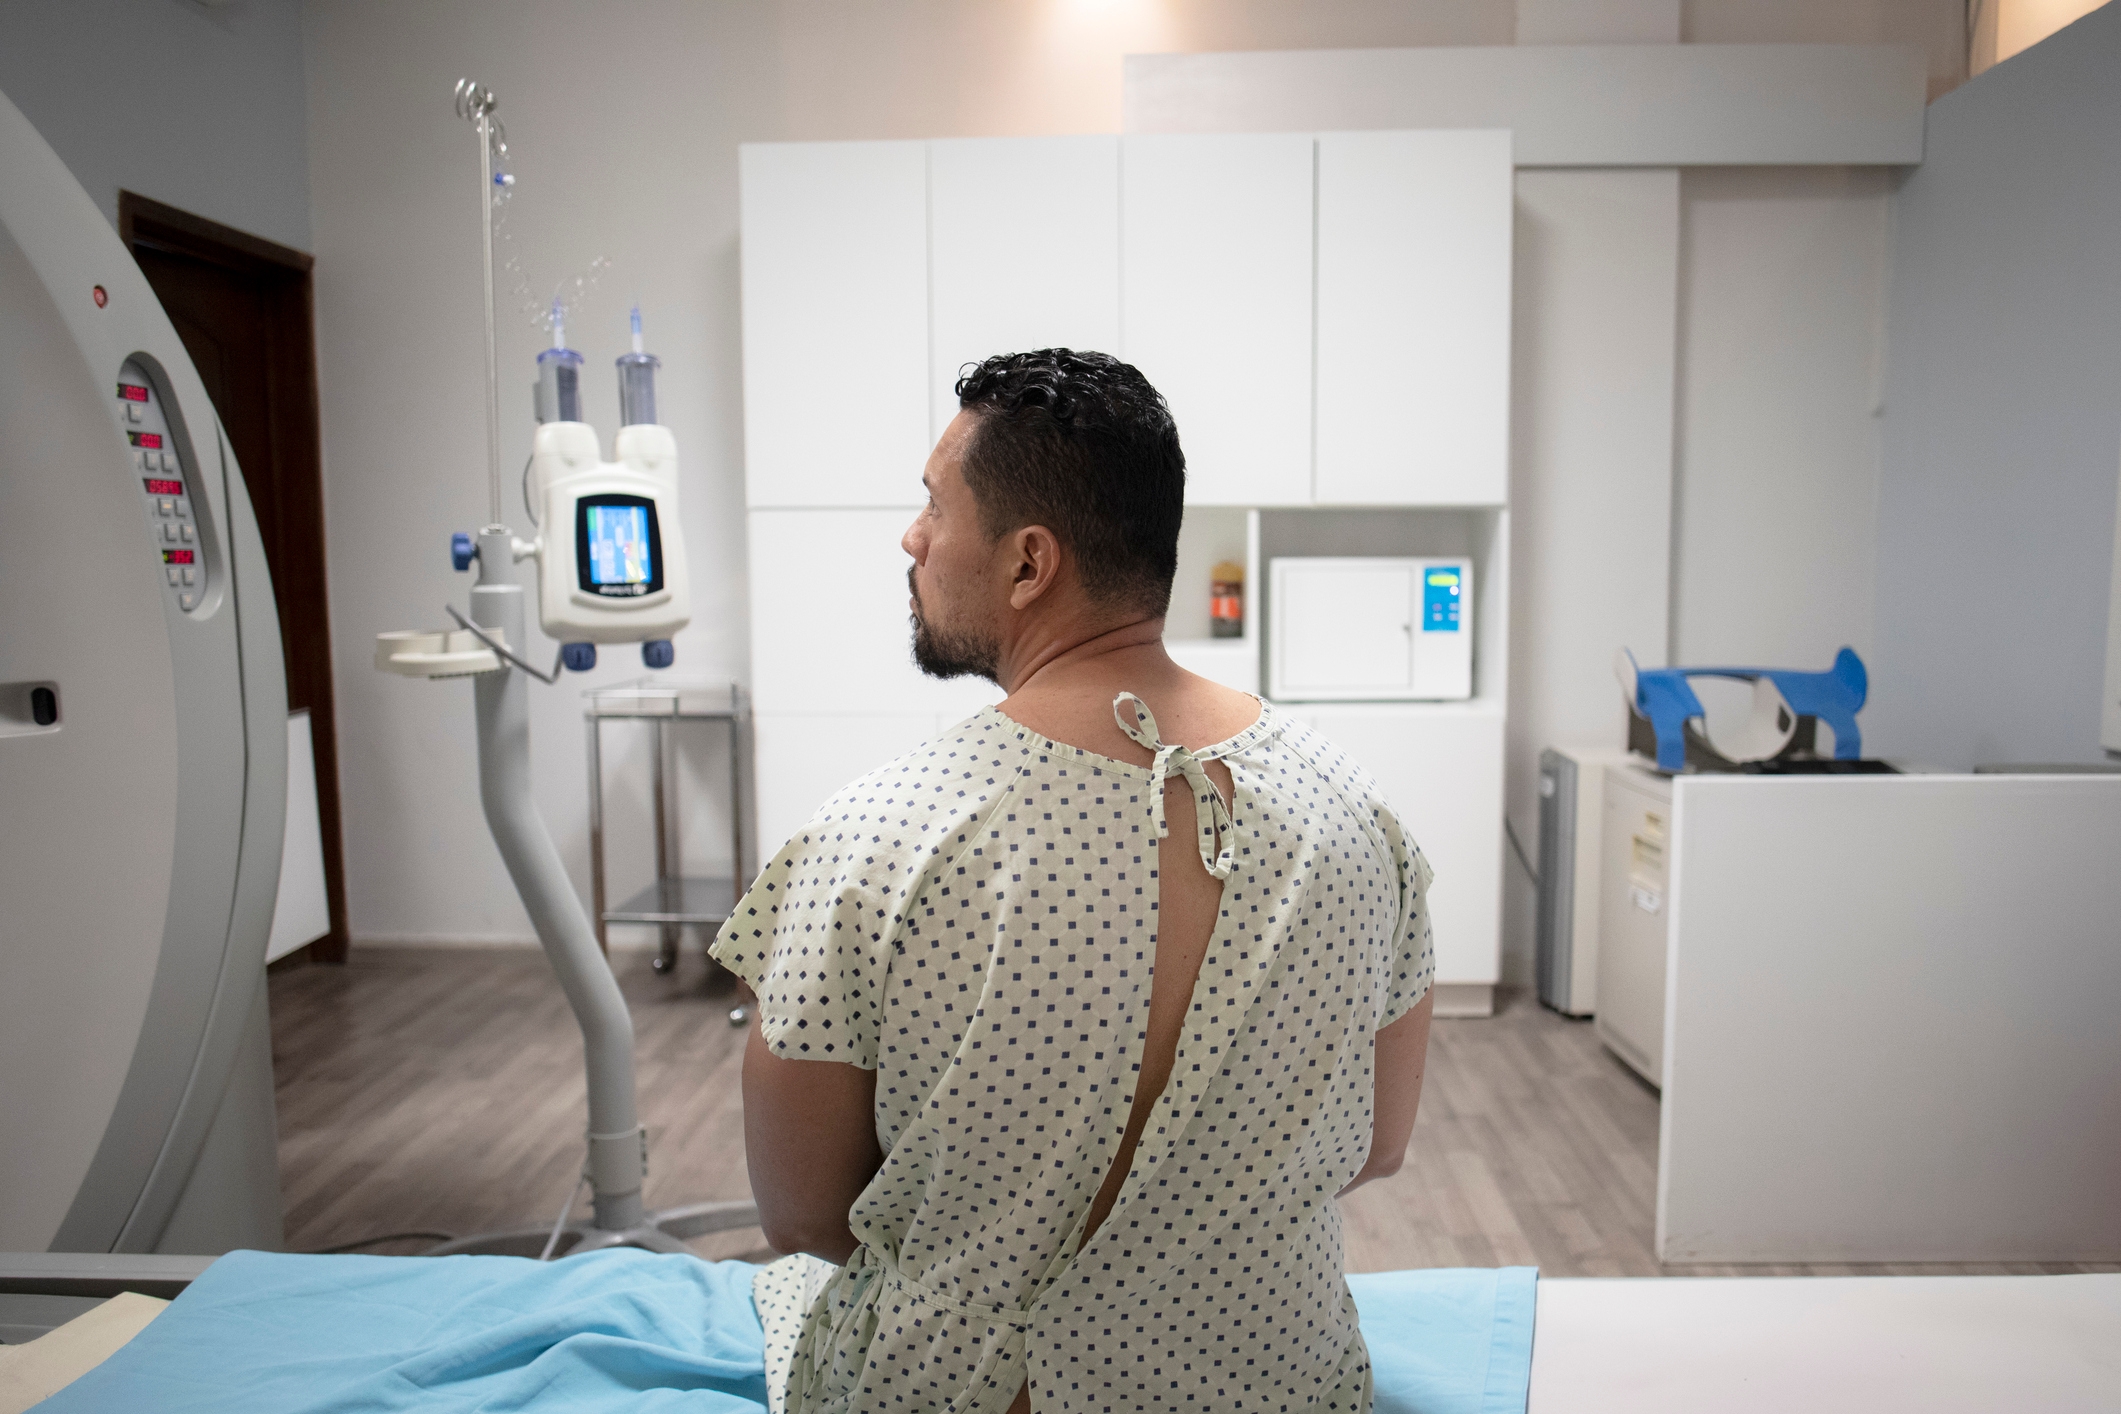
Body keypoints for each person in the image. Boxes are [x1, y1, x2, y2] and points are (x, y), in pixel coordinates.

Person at [711, 349, 1436, 1414]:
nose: (912, 537)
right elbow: (1379, 1145)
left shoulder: (875, 839)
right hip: (1280, 1387)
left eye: (933, 505)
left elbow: (805, 1217)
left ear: (1027, 563)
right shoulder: (1360, 814)